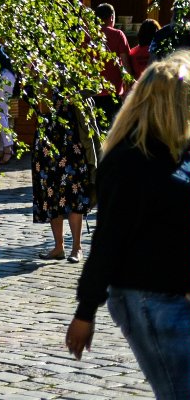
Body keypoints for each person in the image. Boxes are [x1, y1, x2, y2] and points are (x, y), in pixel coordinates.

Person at [66, 55, 190, 391]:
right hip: (150, 295)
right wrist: (85, 311)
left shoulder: (176, 152)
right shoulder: (130, 161)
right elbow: (109, 239)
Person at [33, 102, 97, 261]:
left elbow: (93, 87)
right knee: (51, 194)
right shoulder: (38, 79)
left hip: (70, 141)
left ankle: (77, 248)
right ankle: (58, 246)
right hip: (46, 142)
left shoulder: (70, 78)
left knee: (74, 193)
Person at [96, 3, 132, 126]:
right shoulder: (118, 35)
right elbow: (126, 65)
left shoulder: (87, 35)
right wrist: (128, 91)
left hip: (91, 93)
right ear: (112, 17)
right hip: (113, 93)